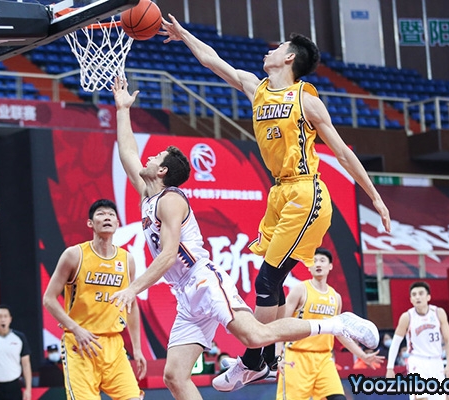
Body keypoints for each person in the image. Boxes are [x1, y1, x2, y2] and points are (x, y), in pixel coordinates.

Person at [109, 77, 380, 399]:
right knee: (175, 376)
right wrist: (122, 110)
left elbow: (168, 255)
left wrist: (133, 289)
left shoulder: (170, 200)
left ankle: (335, 324)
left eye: (155, 158)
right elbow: (127, 152)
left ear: (163, 172)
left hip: (203, 282)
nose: (148, 158)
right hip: (184, 293)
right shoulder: (148, 194)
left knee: (255, 336)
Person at [160, 15, 392, 391]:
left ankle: (254, 361)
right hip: (280, 193)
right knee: (274, 281)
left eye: (278, 47)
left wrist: (376, 197)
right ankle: (264, 359)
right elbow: (213, 61)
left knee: (266, 279)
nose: (269, 50)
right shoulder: (258, 88)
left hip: (306, 192)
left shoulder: (306, 100)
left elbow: (343, 154)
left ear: (289, 58)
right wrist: (184, 34)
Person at [43, 199, 147, 400]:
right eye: (101, 214)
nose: (107, 217)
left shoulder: (127, 259)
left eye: (111, 214)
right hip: (80, 343)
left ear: (117, 223)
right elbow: (49, 299)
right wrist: (76, 329)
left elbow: (132, 305)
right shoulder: (74, 255)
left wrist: (137, 348)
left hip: (113, 345)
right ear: (90, 223)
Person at [276, 248, 384, 400]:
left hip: (324, 359)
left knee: (339, 398)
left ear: (330, 266)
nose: (318, 264)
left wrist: (362, 355)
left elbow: (340, 332)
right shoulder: (300, 290)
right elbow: (281, 325)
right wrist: (277, 356)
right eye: (314, 261)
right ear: (309, 266)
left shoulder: (336, 297)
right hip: (297, 357)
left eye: (322, 260)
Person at [386, 282, 449, 400]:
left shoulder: (439, 313)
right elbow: (395, 343)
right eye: (414, 294)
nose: (417, 297)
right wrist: (390, 367)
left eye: (421, 293)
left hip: (436, 361)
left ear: (428, 297)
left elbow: (448, 341)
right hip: (417, 361)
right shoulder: (407, 317)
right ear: (411, 299)